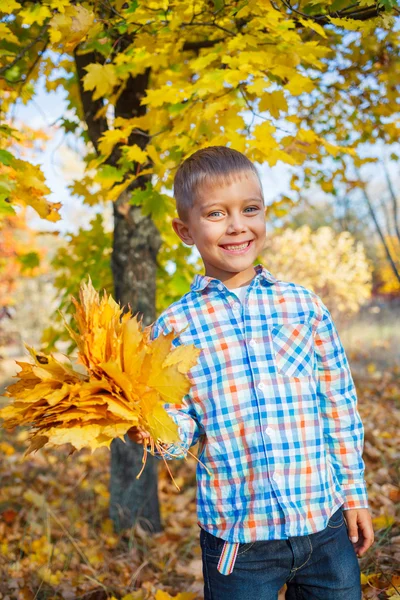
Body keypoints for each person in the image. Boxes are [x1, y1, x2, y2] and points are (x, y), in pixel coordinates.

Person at [128, 146, 374, 600]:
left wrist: (354, 494)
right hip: (239, 540)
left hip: (324, 523)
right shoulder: (174, 327)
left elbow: (338, 403)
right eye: (217, 214)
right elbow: (183, 421)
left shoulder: (303, 305)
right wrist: (156, 430)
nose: (237, 225)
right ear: (185, 230)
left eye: (250, 209)